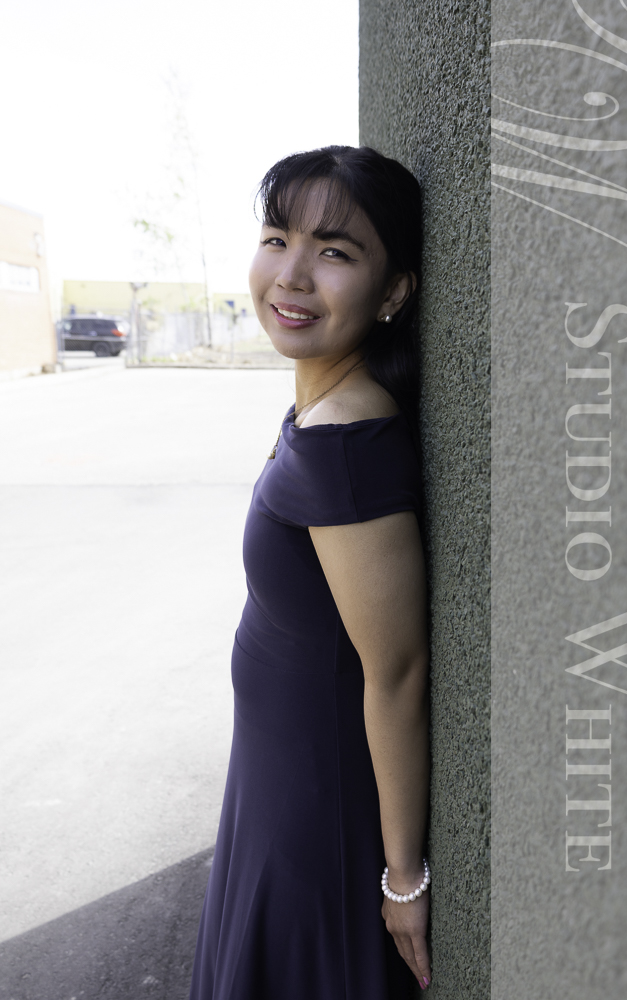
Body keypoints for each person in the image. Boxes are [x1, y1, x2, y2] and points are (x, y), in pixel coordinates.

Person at [189, 145, 431, 999]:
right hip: (273, 781)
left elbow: (397, 672)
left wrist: (403, 878)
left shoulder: (344, 448)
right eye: (276, 238)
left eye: (333, 251)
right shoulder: (321, 406)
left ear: (393, 290)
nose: (291, 274)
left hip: (313, 820)